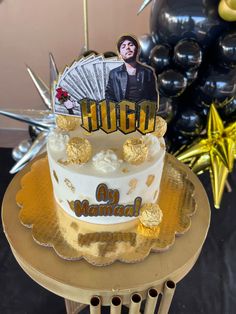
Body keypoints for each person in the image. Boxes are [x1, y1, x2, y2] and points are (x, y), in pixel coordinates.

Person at [105, 35, 158, 104]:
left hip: (142, 113)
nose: (127, 48)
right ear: (120, 54)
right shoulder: (114, 73)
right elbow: (109, 96)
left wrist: (150, 112)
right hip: (122, 112)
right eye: (123, 47)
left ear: (137, 49)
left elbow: (153, 96)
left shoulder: (148, 72)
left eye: (130, 45)